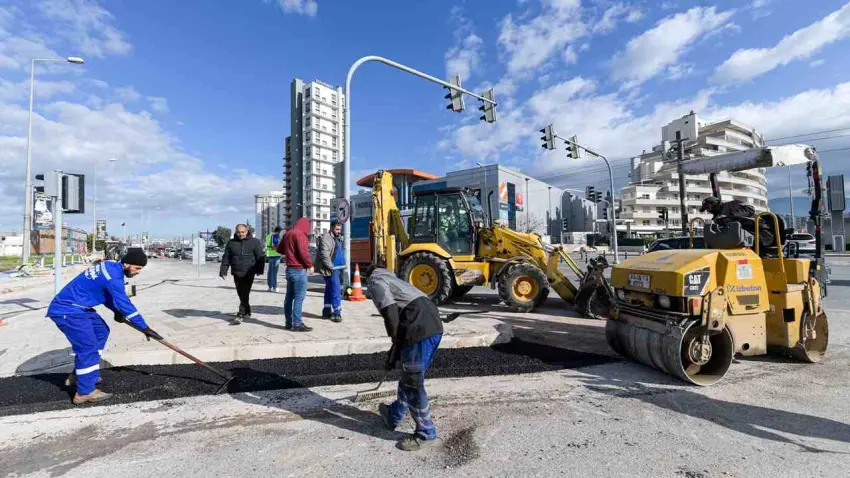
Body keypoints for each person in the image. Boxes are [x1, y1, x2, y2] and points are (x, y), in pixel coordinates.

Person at [46, 248, 161, 405]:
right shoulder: (114, 276)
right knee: (88, 347)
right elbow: (124, 302)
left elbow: (107, 295)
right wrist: (144, 327)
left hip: (80, 308)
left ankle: (82, 375)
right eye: (137, 268)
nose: (138, 272)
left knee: (101, 331)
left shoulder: (110, 267)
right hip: (68, 310)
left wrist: (116, 311)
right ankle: (85, 392)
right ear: (127, 263)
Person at [368, 267, 444, 451]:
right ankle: (394, 415)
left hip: (418, 330)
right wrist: (395, 351)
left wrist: (395, 343)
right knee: (410, 376)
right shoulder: (398, 282)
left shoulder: (376, 281)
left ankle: (426, 434)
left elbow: (390, 313)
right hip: (434, 326)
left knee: (412, 383)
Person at [220, 224, 265, 325]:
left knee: (245, 292)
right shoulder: (231, 243)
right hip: (236, 271)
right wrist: (223, 270)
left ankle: (240, 314)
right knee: (241, 293)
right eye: (239, 232)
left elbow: (260, 256)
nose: (241, 234)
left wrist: (259, 270)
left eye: (242, 232)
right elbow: (226, 257)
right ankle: (247, 310)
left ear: (247, 231)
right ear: (236, 232)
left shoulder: (255, 242)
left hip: (249, 271)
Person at [277, 217, 313, 332]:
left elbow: (279, 249)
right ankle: (297, 323)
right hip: (298, 270)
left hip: (289, 270)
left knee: (289, 297)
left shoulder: (288, 233)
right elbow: (303, 253)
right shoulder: (300, 234)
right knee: (299, 297)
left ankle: (288, 322)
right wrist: (309, 265)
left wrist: (290, 252)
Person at [315, 220, 344, 322]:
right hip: (331, 269)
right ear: (331, 228)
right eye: (337, 229)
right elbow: (325, 254)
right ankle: (337, 313)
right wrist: (330, 266)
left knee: (329, 289)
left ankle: (326, 311)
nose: (338, 231)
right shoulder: (326, 238)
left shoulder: (337, 238)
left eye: (340, 229)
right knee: (335, 289)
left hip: (336, 268)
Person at [265, 226, 284, 292]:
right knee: (274, 273)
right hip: (275, 255)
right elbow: (274, 246)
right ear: (279, 231)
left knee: (270, 272)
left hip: (269, 255)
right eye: (281, 232)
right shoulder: (275, 235)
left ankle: (269, 287)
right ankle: (274, 287)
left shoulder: (268, 235)